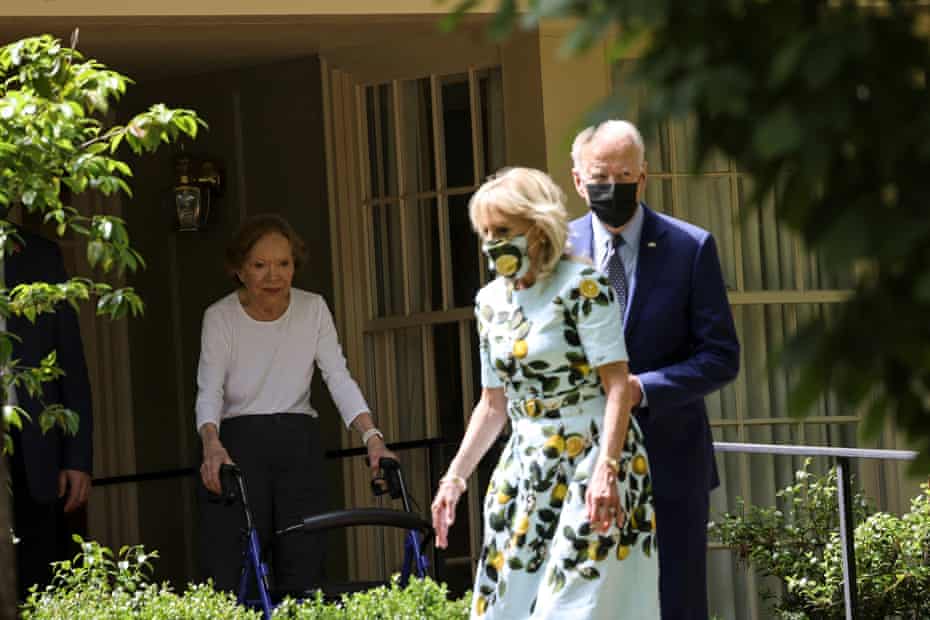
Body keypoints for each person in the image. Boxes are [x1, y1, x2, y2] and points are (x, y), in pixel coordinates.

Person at [431, 168, 660, 619]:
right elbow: (493, 404)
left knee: (572, 607)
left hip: (594, 457)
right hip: (526, 465)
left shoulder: (583, 288)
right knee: (506, 605)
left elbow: (617, 388)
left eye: (503, 231)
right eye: (486, 232)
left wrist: (606, 470)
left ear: (537, 230)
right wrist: (454, 478)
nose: (492, 242)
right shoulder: (489, 302)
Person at [568, 120, 741, 620]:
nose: (614, 187)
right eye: (601, 175)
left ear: (643, 179)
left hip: (670, 464)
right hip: (577, 467)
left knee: (674, 606)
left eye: (626, 175)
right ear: (578, 181)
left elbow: (720, 356)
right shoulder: (553, 251)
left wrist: (643, 389)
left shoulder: (690, 248)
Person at [196, 214, 395, 593]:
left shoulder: (313, 308)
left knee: (304, 562)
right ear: (239, 271)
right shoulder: (220, 317)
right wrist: (212, 443)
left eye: (283, 264)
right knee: (234, 564)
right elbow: (210, 390)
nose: (273, 276)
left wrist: (372, 437)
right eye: (260, 265)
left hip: (297, 440)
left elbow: (338, 376)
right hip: (237, 444)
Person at [5, 228, 93, 599]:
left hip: (33, 449)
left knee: (38, 583)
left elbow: (69, 360)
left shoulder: (39, 255)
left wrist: (77, 456)